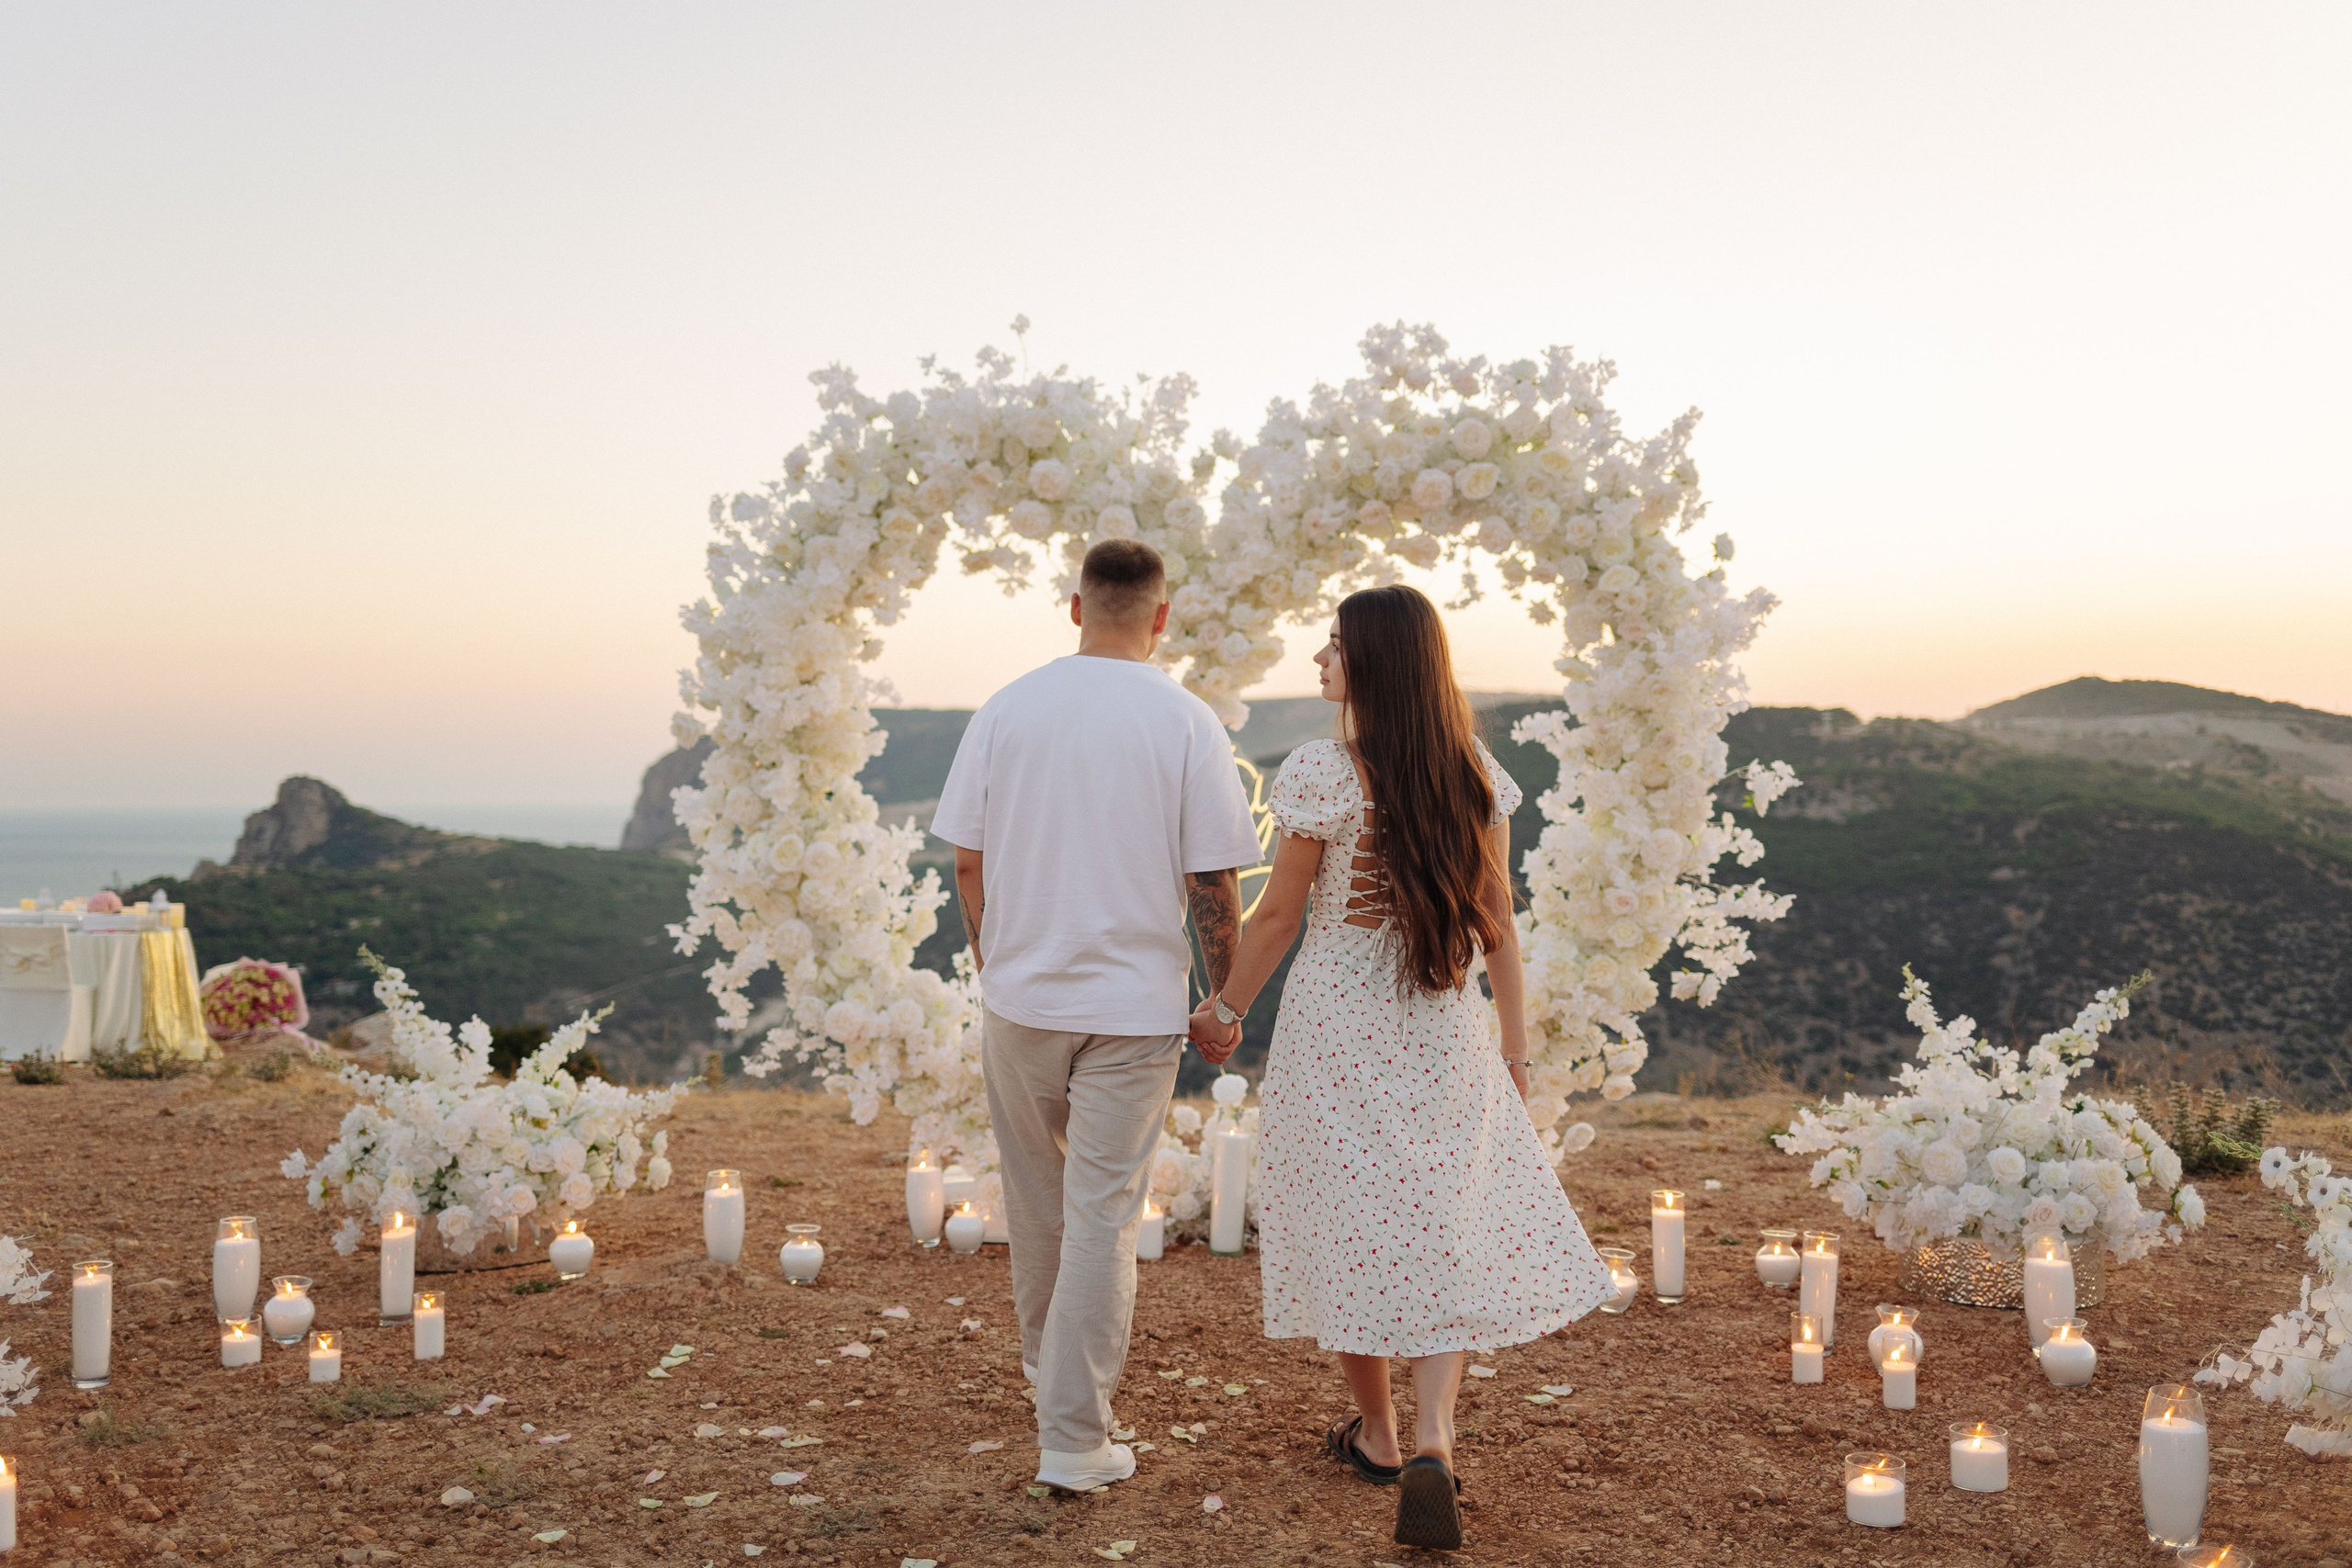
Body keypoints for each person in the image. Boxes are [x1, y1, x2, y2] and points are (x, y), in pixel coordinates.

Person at [1188, 583, 1611, 1551]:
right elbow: (1499, 924)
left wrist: (1224, 1010)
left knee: (1350, 1218)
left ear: (1373, 663)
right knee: (1436, 1220)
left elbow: (1280, 918)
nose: (1318, 662)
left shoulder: (1322, 773)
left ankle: (1377, 1434)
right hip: (1441, 1021)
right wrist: (1513, 1046)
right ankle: (1434, 1435)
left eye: (1333, 647)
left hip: (1338, 1023)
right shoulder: (1474, 774)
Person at [932, 537, 1262, 1495]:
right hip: (1132, 1010)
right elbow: (1212, 877)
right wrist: (1221, 999)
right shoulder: (1187, 720)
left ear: (1075, 607)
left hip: (1023, 1001)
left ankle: (1052, 1377)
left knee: (1035, 1201)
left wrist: (1001, 964)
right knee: (1103, 1219)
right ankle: (1073, 1437)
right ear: (1161, 616)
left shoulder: (1006, 708)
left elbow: (967, 861)